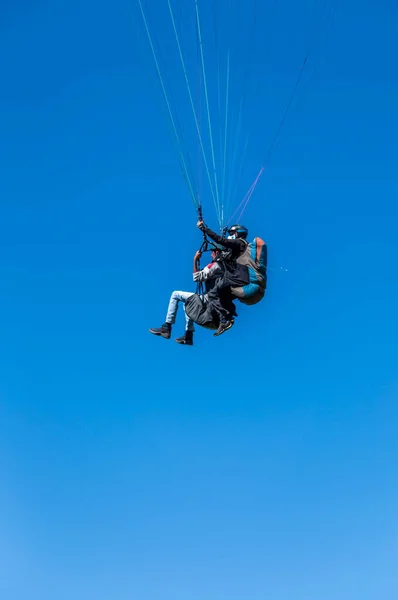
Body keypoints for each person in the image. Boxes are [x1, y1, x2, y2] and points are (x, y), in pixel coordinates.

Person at [197, 221, 267, 336]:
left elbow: (222, 241)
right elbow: (224, 252)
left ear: (238, 233)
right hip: (242, 280)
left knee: (213, 292)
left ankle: (226, 318)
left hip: (240, 278)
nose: (231, 235)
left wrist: (204, 229)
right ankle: (225, 319)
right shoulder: (238, 249)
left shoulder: (240, 243)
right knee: (221, 295)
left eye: (232, 233)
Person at [149, 247, 223, 345]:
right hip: (215, 301)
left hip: (208, 299)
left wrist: (195, 259)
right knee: (188, 305)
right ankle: (188, 336)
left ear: (217, 252)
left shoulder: (214, 265)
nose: (211, 254)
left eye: (212, 252)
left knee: (175, 294)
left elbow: (196, 277)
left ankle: (166, 327)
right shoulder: (227, 267)